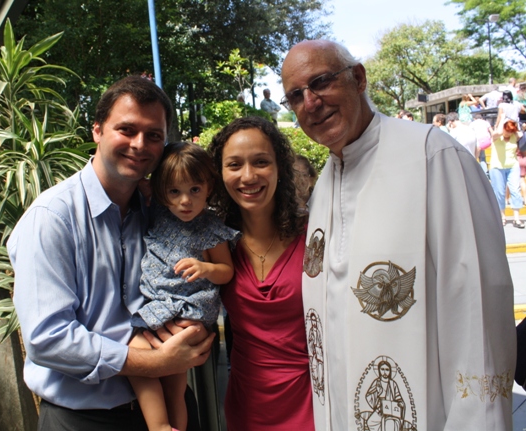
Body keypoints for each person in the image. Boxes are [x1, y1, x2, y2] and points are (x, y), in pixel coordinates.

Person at [281, 39, 515, 430]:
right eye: (295, 95)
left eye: (321, 82)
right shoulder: (323, 186)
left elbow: (477, 307)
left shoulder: (433, 157)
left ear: (358, 78)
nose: (311, 102)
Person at [8, 76, 215, 431]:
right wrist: (154, 363)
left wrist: (193, 326)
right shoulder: (52, 218)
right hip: (85, 418)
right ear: (97, 130)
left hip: (170, 404)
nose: (140, 144)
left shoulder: (159, 209)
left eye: (153, 135)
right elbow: (48, 339)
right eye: (127, 130)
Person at [208, 116, 314, 430]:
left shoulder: (315, 234)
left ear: (280, 168)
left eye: (261, 162)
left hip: (313, 401)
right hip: (247, 406)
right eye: (234, 165)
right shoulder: (215, 243)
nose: (248, 176)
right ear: (219, 174)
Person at [128, 142, 239, 431]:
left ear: (209, 187)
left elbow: (227, 271)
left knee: (172, 381)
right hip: (159, 305)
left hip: (189, 308)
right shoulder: (160, 211)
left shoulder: (209, 227)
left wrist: (206, 268)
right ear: (163, 191)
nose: (185, 201)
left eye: (195, 190)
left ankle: (163, 426)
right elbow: (143, 185)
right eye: (175, 192)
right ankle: (161, 425)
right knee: (142, 359)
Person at [489, 119, 525, 228]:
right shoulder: (496, 136)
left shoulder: (514, 136)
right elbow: (497, 132)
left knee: (515, 190)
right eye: (507, 130)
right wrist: (502, 119)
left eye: (511, 131)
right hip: (497, 167)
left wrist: (514, 125)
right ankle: (502, 216)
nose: (508, 133)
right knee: (500, 192)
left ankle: (516, 218)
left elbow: (520, 133)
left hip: (513, 166)